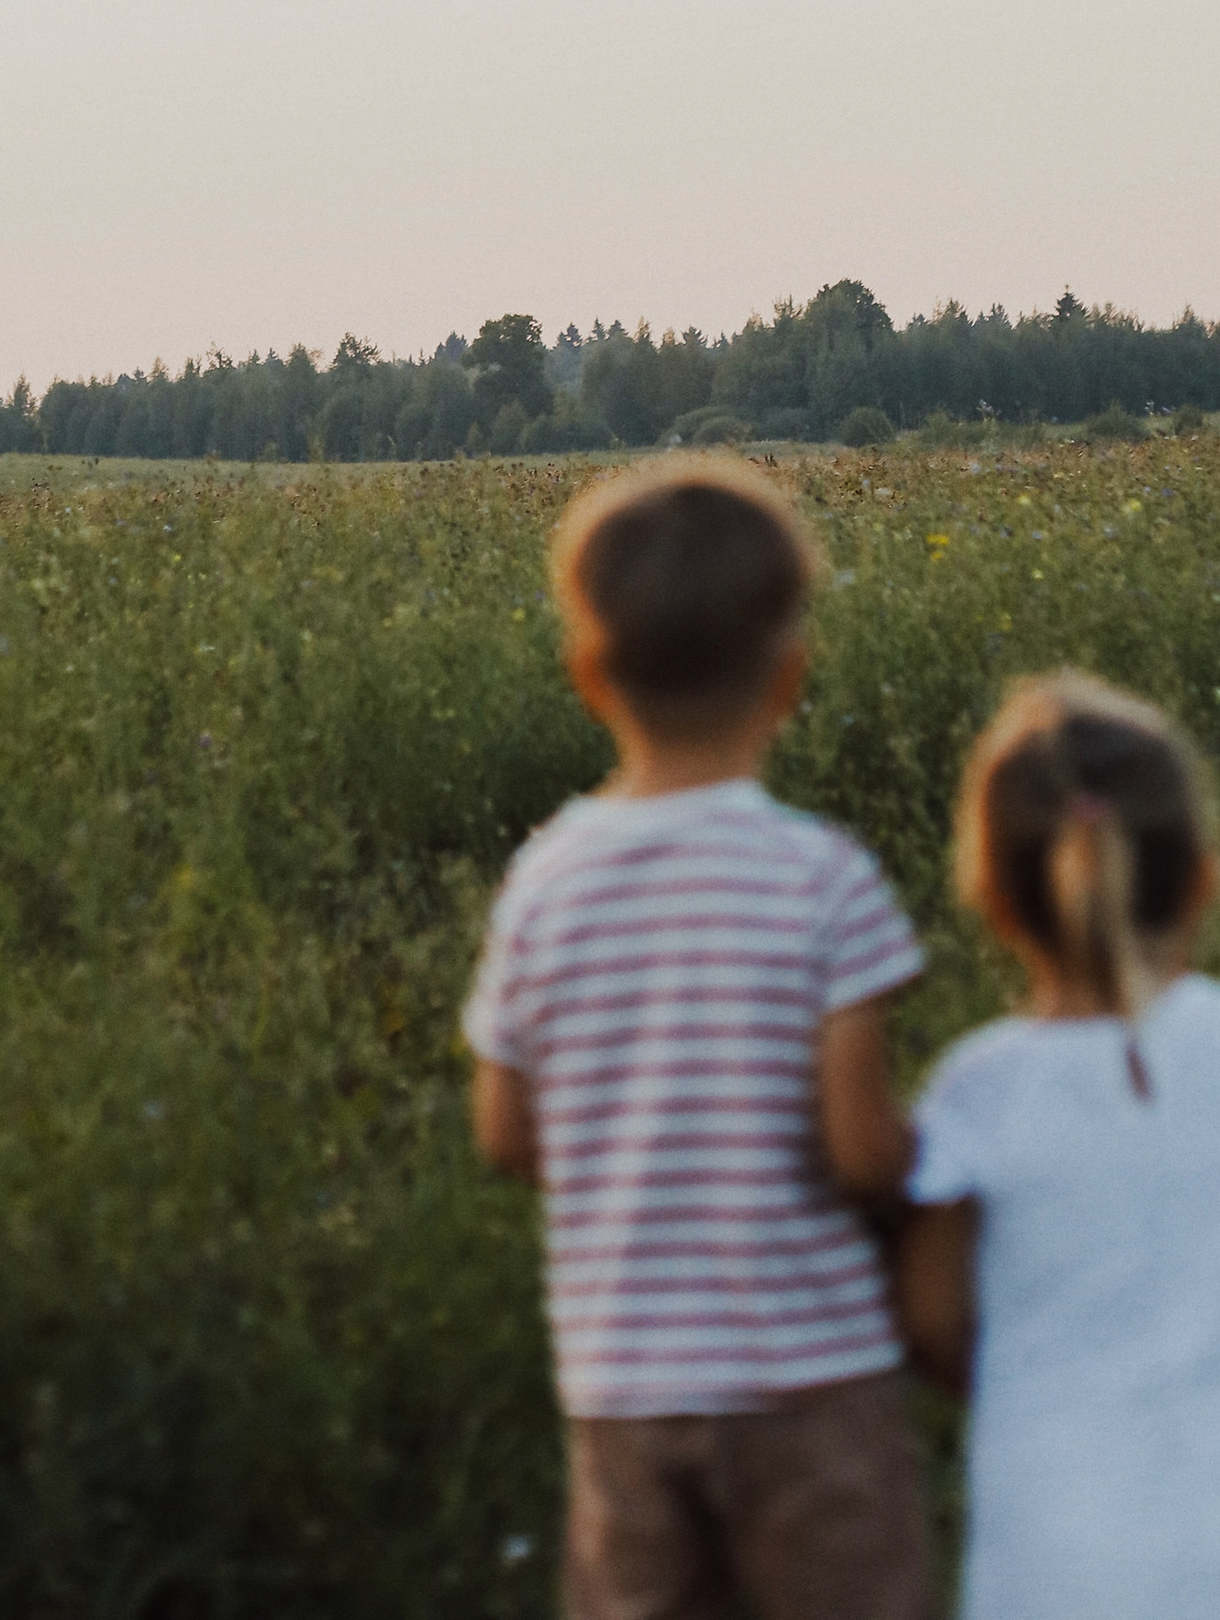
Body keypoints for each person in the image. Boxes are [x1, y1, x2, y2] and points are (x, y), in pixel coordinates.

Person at [465, 457, 933, 1620]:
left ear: (586, 676)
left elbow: (503, 1132)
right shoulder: (825, 881)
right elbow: (861, 1153)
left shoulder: (542, 884)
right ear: (788, 677)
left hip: (623, 1387)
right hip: (810, 1381)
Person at [893, 671, 1220, 1620]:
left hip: (1062, 1543)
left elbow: (932, 1323)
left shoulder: (977, 1094)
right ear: (1202, 875)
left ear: (992, 894)